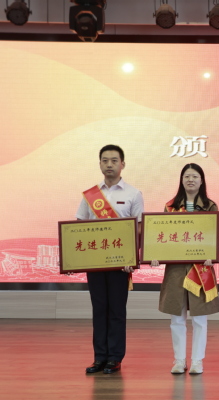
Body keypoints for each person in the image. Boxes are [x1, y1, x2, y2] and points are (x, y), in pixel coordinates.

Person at [75, 144, 144, 374]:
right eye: (105, 160)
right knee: (99, 309)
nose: (109, 165)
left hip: (120, 264)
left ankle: (114, 357)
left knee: (116, 310)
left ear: (122, 164)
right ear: (100, 164)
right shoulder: (90, 195)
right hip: (95, 263)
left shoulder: (133, 194)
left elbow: (139, 229)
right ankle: (99, 357)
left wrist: (132, 258)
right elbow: (79, 226)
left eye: (114, 160)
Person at [151, 163, 219, 375]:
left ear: (202, 180)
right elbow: (162, 236)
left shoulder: (210, 206)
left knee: (200, 318)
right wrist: (155, 254)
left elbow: (216, 237)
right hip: (177, 269)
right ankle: (179, 360)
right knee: (177, 318)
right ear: (181, 180)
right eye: (187, 176)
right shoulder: (171, 206)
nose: (191, 180)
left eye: (195, 176)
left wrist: (212, 254)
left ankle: (197, 361)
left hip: (201, 269)